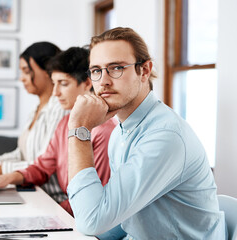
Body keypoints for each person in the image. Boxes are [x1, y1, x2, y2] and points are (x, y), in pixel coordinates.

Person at [66, 27, 226, 239]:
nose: (103, 81)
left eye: (116, 68)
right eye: (96, 70)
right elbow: (121, 219)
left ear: (144, 71)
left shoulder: (165, 135)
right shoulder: (120, 133)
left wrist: (79, 131)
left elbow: (92, 221)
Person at [0, 47, 117, 215]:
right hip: (68, 211)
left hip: (85, 220)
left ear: (87, 83)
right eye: (54, 84)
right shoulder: (65, 123)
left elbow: (93, 202)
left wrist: (48, 213)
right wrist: (9, 177)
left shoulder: (104, 132)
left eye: (63, 84)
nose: (55, 93)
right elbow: (43, 167)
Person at [0, 42, 68, 200]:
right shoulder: (36, 109)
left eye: (27, 71)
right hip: (31, 191)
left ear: (49, 70)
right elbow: (21, 154)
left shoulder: (60, 108)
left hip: (50, 198)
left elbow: (43, 164)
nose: (22, 78)